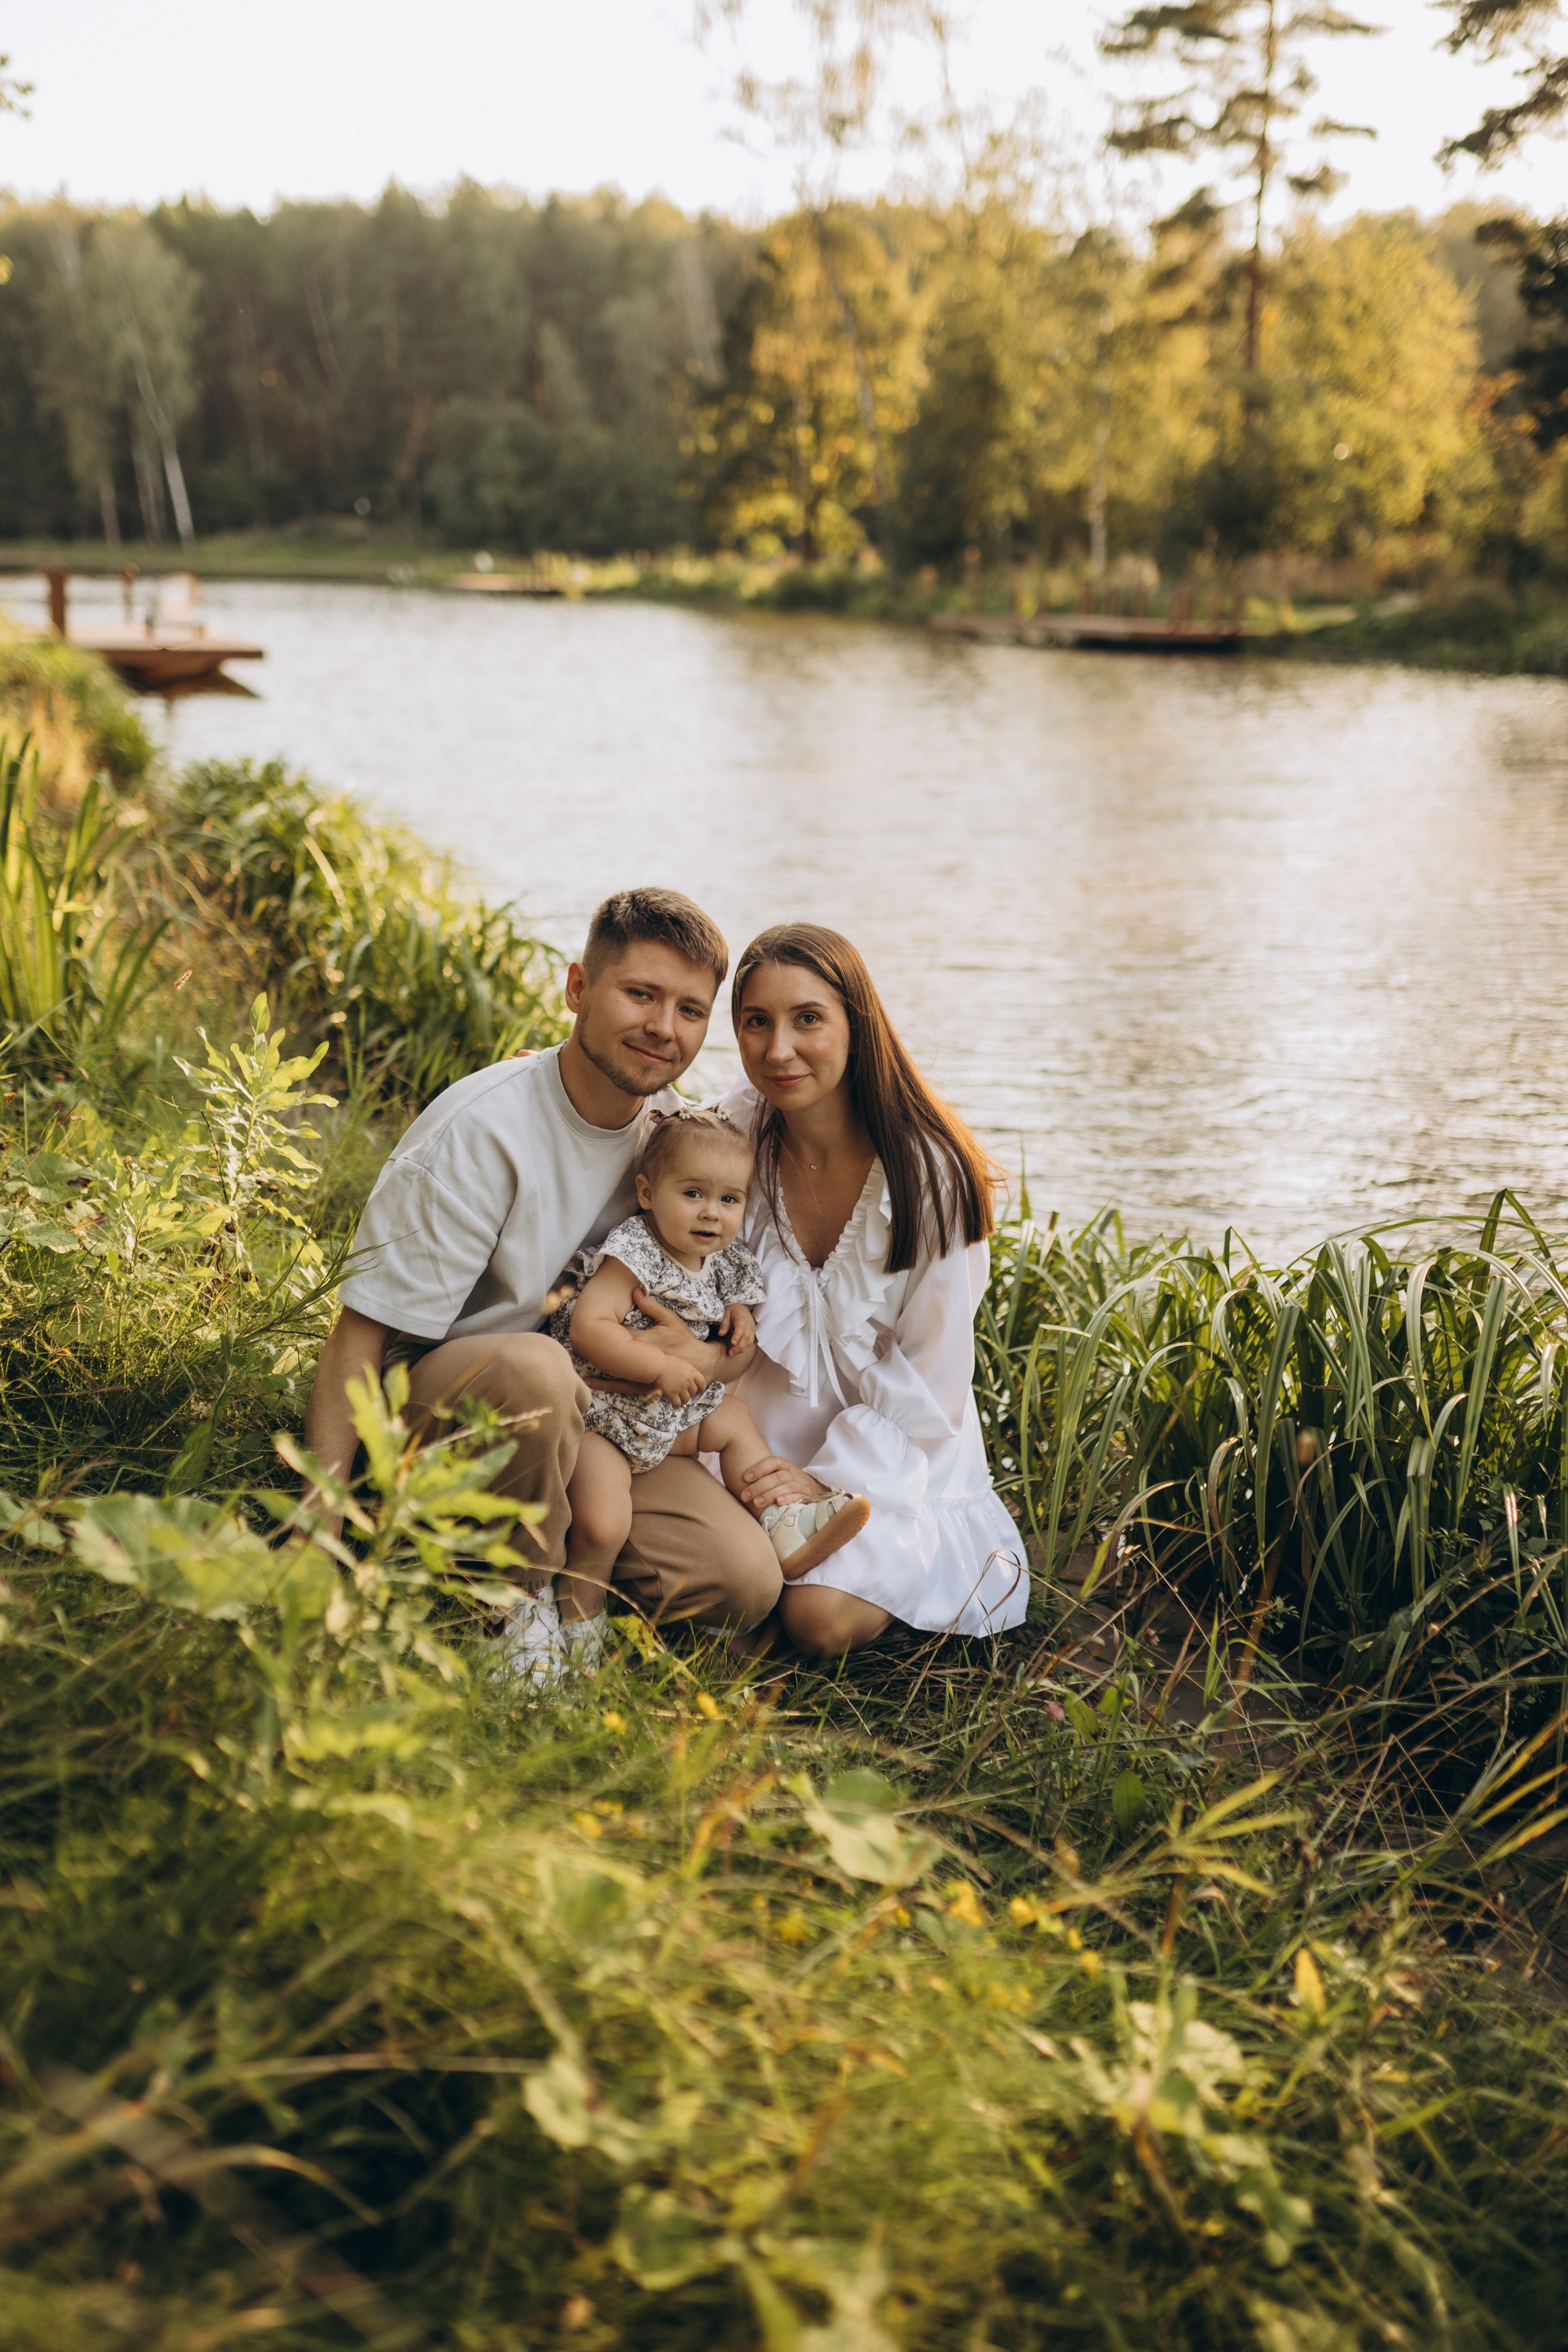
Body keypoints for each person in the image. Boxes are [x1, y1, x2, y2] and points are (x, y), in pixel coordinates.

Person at [301, 888, 783, 1679]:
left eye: (691, 1010)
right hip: (444, 1420)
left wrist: (703, 1344)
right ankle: (506, 1607)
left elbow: (698, 1315)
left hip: (596, 1426)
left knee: (742, 1579)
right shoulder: (482, 1132)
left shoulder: (670, 1140)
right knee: (538, 1365)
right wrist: (320, 1528)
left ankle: (567, 1579)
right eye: (641, 995)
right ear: (577, 990)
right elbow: (357, 1338)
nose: (664, 1027)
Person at [717, 924, 1028, 1659]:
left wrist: (822, 1482)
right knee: (722, 1585)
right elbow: (651, 1144)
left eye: (808, 1019)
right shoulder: (736, 1132)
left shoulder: (931, 1175)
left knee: (817, 1621)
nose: (778, 1049)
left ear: (859, 1025)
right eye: (755, 1022)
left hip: (892, 1462)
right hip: (747, 1445)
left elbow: (933, 1380)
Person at [546, 1106, 870, 1658]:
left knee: (734, 1419)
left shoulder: (725, 1260)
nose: (711, 1215)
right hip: (605, 1417)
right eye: (692, 1193)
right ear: (648, 1193)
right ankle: (579, 1623)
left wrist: (740, 1320)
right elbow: (589, 1328)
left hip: (667, 1419)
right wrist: (661, 1368)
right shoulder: (634, 1251)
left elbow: (735, 1305)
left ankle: (779, 1517)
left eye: (729, 1199)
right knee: (604, 1522)